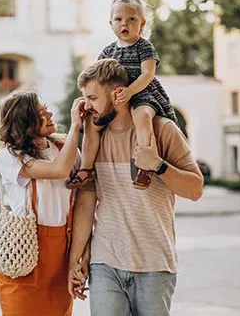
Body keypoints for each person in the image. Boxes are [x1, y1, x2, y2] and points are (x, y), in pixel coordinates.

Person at [67, 59, 204, 316]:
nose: (87, 106)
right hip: (105, 262)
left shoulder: (162, 131)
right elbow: (86, 204)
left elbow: (195, 190)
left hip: (154, 265)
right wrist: (76, 260)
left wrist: (158, 166)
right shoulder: (93, 141)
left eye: (93, 97)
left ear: (118, 93)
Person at [66, 0, 177, 191]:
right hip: (114, 99)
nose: (124, 23)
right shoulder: (107, 51)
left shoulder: (144, 47)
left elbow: (147, 74)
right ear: (111, 24)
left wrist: (130, 92)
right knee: (92, 125)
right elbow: (96, 79)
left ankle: (145, 165)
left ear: (142, 24)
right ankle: (86, 169)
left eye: (132, 19)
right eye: (118, 19)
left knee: (142, 118)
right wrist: (89, 101)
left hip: (142, 93)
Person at [0, 89, 87, 316]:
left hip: (61, 257)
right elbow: (58, 170)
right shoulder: (10, 156)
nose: (50, 114)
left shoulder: (64, 149)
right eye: (41, 112)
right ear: (25, 122)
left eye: (46, 109)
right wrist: (76, 126)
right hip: (24, 256)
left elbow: (85, 193)